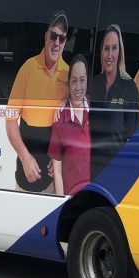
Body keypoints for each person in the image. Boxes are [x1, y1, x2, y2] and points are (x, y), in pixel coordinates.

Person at [5, 11, 70, 193]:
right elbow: (10, 120)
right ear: (46, 36)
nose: (57, 43)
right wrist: (25, 157)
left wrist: (60, 155)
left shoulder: (69, 74)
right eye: (54, 36)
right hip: (25, 175)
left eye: (62, 38)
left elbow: (74, 124)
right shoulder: (28, 68)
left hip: (53, 179)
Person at [87, 24, 139, 178]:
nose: (110, 54)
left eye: (114, 48)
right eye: (106, 48)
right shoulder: (93, 84)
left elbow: (132, 136)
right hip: (91, 168)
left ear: (120, 52)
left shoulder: (130, 87)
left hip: (117, 170)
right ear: (101, 52)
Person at [48, 54, 91, 197]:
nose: (78, 87)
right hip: (72, 199)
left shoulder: (96, 110)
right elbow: (57, 171)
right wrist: (61, 204)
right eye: (74, 81)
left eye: (82, 80)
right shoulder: (60, 117)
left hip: (96, 196)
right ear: (68, 83)